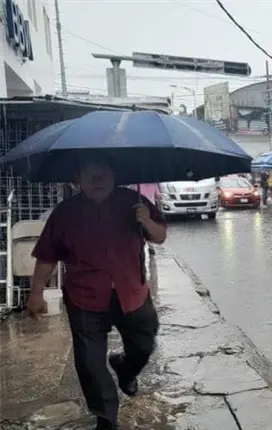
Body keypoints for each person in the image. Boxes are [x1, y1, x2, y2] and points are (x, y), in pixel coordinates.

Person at [26, 156, 167, 430]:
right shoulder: (65, 213)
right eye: (90, 175)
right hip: (85, 298)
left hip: (132, 293)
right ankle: (106, 418)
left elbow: (160, 236)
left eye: (103, 174)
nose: (97, 180)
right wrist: (36, 293)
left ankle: (125, 368)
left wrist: (147, 221)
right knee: (90, 364)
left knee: (144, 345)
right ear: (77, 180)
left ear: (114, 175)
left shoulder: (133, 202)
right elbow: (46, 255)